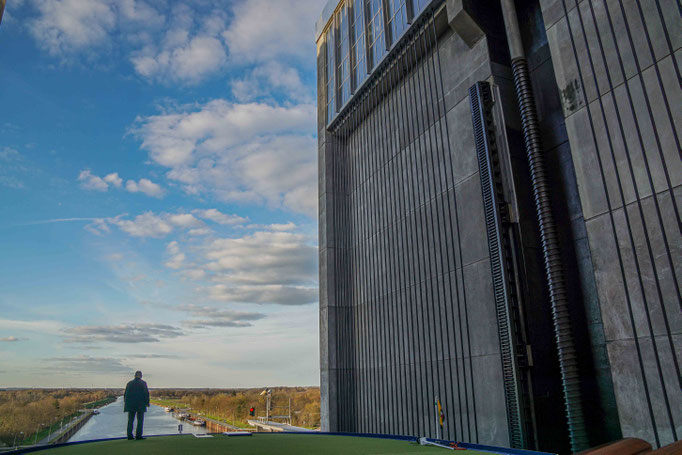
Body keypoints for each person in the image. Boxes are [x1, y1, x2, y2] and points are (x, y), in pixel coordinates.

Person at [124, 370, 150, 440]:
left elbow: (126, 395)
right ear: (141, 376)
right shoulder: (143, 383)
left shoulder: (129, 383)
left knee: (130, 421)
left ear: (134, 376)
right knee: (140, 421)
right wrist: (147, 403)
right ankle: (138, 436)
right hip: (140, 405)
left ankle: (129, 436)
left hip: (131, 405)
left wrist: (126, 405)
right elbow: (146, 394)